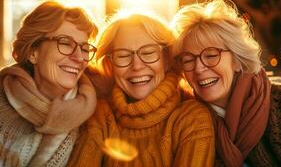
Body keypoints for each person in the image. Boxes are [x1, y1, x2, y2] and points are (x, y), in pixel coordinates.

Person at [0, 0, 98, 166]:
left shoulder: (92, 120)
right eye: (65, 43)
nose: (79, 57)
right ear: (32, 52)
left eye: (85, 48)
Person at [171, 0, 281, 167]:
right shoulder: (186, 121)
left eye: (211, 55)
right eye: (188, 60)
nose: (199, 68)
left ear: (237, 60)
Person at [67, 11, 215, 167]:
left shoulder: (191, 117)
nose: (137, 66)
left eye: (148, 53)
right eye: (123, 55)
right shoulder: (101, 115)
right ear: (111, 64)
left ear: (166, 59)